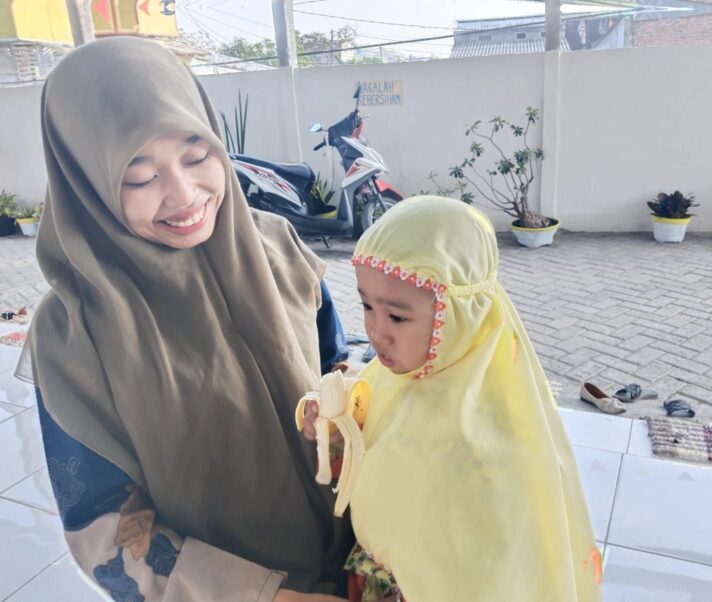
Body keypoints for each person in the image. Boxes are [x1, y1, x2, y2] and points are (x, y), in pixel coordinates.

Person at [16, 36, 354, 601]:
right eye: (139, 176)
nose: (184, 193)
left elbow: (339, 370)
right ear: (86, 180)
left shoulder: (276, 246)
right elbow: (102, 529)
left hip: (360, 560)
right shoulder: (72, 330)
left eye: (197, 157)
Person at [304, 197, 603, 601]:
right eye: (366, 306)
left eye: (397, 316)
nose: (375, 332)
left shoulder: (497, 447)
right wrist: (335, 428)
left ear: (459, 314)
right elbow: (371, 445)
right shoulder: (390, 377)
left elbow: (494, 573)